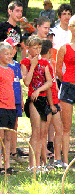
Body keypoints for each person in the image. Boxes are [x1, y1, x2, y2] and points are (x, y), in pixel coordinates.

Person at [21, 36, 52, 170]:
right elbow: (26, 82)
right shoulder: (25, 62)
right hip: (33, 100)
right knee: (35, 132)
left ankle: (39, 163)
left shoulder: (44, 62)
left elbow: (49, 82)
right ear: (28, 48)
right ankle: (32, 164)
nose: (38, 50)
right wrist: (33, 65)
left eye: (39, 47)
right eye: (35, 48)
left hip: (42, 97)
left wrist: (39, 90)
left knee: (42, 133)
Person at [0, 42, 18, 175]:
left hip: (11, 107)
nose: (8, 56)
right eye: (5, 54)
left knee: (8, 137)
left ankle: (8, 164)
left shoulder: (11, 71)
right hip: (0, 106)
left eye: (10, 54)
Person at [40, 39, 63, 167]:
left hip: (54, 101)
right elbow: (47, 86)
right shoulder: (43, 64)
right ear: (50, 51)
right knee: (43, 133)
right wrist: (52, 104)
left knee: (58, 129)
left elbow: (54, 85)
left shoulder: (50, 63)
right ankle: (44, 162)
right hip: (48, 102)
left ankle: (57, 159)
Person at [56, 15, 75, 167]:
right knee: (66, 126)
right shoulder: (64, 48)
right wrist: (66, 81)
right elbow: (58, 71)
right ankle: (65, 160)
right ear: (70, 27)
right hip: (68, 86)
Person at [6, 38, 25, 160]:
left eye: (14, 48)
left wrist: (22, 99)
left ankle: (13, 151)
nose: (13, 50)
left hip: (17, 99)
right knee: (7, 126)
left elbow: (19, 84)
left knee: (15, 125)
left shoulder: (17, 65)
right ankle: (6, 151)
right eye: (10, 48)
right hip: (7, 100)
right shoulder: (3, 65)